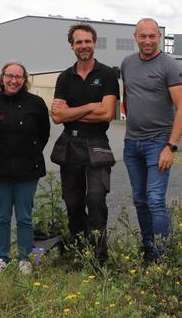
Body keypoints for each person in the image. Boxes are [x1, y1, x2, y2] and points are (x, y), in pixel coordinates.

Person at [121, 18, 182, 263]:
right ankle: (149, 251)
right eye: (143, 36)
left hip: (158, 143)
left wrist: (170, 146)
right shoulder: (127, 63)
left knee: (154, 199)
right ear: (135, 36)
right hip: (132, 143)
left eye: (152, 36)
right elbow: (127, 96)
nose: (147, 41)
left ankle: (163, 257)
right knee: (139, 199)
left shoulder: (170, 66)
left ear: (159, 37)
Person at [50, 23, 119, 265]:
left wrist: (72, 111)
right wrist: (91, 106)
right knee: (73, 202)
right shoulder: (64, 77)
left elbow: (107, 114)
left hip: (98, 143)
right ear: (72, 46)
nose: (83, 46)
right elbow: (57, 117)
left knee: (96, 200)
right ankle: (79, 255)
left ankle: (99, 258)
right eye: (78, 42)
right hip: (70, 144)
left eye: (87, 41)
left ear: (94, 43)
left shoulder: (108, 74)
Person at [0, 61, 50, 275]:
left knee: (24, 217)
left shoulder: (36, 104)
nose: (13, 80)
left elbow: (44, 134)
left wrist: (27, 154)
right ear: (2, 78)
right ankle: (1, 258)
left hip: (28, 170)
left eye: (18, 76)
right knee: (1, 217)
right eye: (9, 76)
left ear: (24, 80)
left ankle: (24, 259)